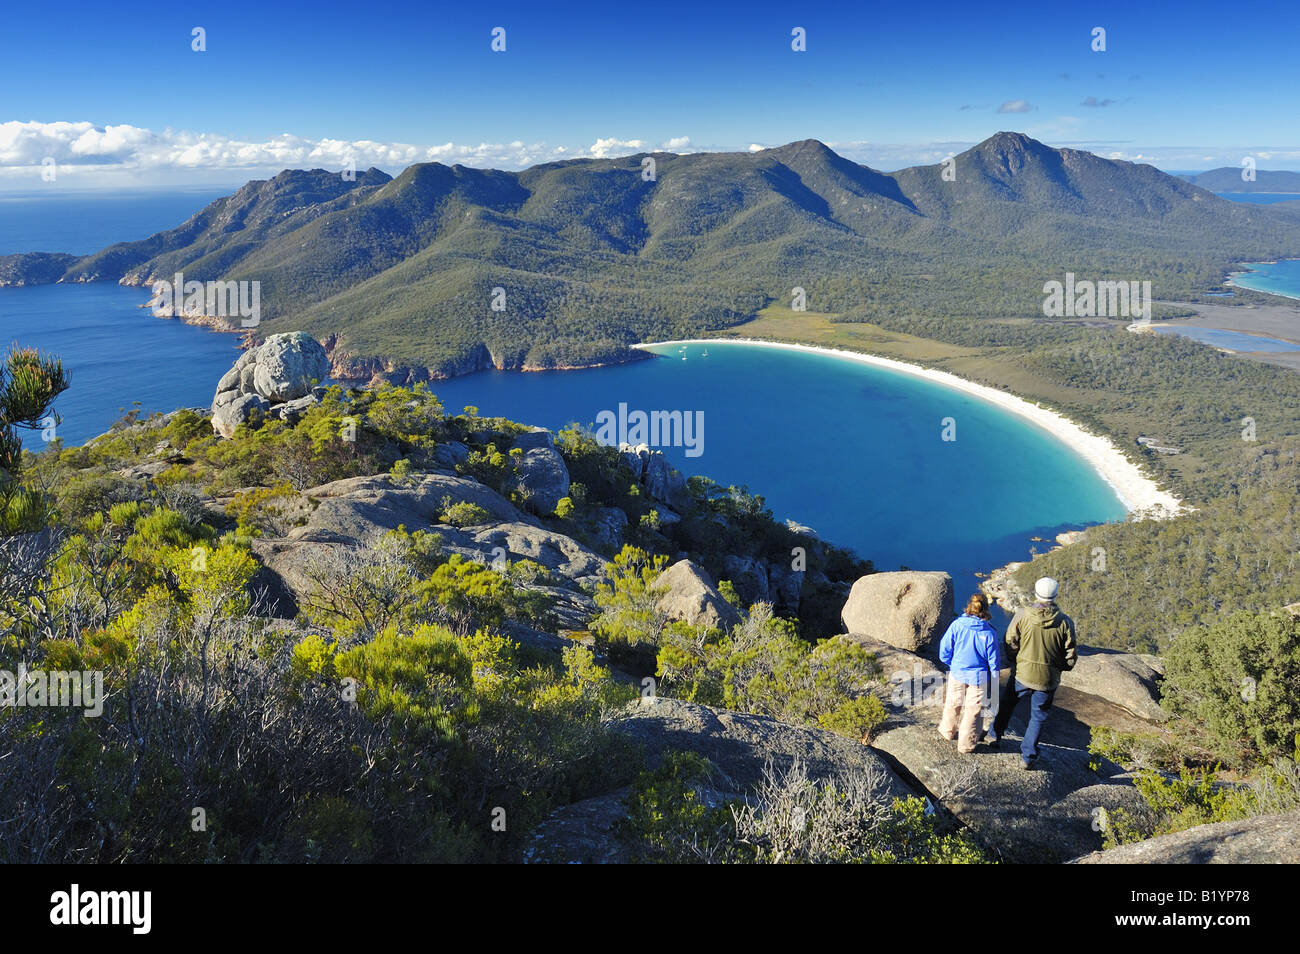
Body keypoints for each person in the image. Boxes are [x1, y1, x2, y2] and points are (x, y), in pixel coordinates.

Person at [990, 577, 1078, 769]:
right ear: (1055, 595)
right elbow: (1070, 654)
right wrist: (1062, 667)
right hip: (1048, 678)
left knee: (1007, 704)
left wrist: (1015, 659)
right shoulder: (1065, 622)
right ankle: (1028, 756)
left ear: (1036, 593)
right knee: (1038, 716)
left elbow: (1010, 640)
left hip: (1022, 673)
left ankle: (995, 735)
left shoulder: (1022, 615)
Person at [937, 593, 1000, 754]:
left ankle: (947, 732)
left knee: (953, 702)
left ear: (969, 607)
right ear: (985, 609)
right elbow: (994, 662)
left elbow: (944, 651)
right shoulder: (989, 633)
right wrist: (994, 679)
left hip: (957, 671)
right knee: (974, 711)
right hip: (979, 677)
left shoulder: (957, 625)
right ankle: (966, 745)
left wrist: (953, 664)